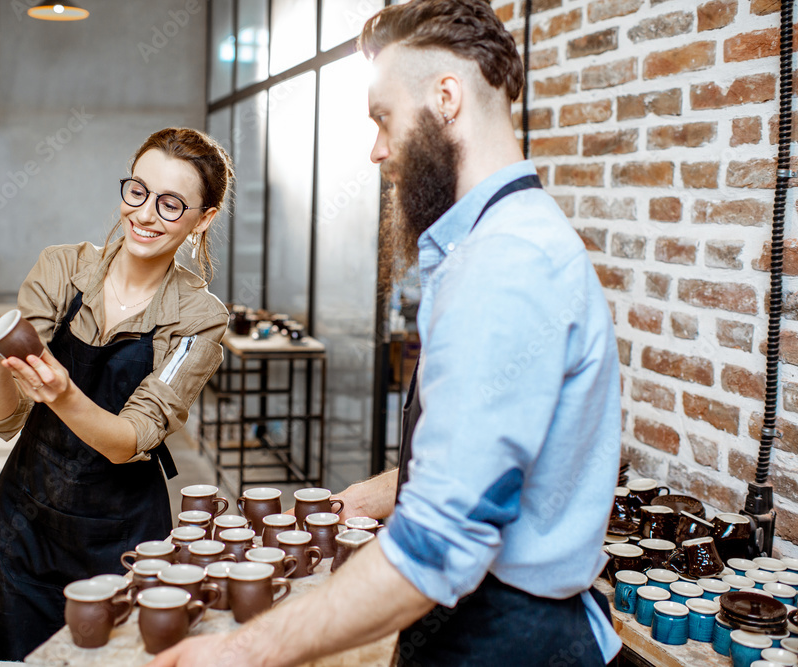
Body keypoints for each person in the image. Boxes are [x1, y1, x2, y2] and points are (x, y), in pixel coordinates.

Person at [148, 2, 621, 666]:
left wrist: (242, 650)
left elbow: (435, 548)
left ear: (446, 98)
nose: (376, 150)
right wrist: (360, 499)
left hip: (511, 637)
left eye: (382, 118)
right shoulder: (505, 243)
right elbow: (490, 459)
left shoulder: (505, 265)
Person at [0, 127, 233, 660]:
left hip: (122, 542)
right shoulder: (62, 268)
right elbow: (3, 416)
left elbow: (129, 440)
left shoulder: (200, 318)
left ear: (203, 219)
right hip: (22, 527)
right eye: (137, 191)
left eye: (172, 205)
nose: (145, 215)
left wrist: (62, 393)